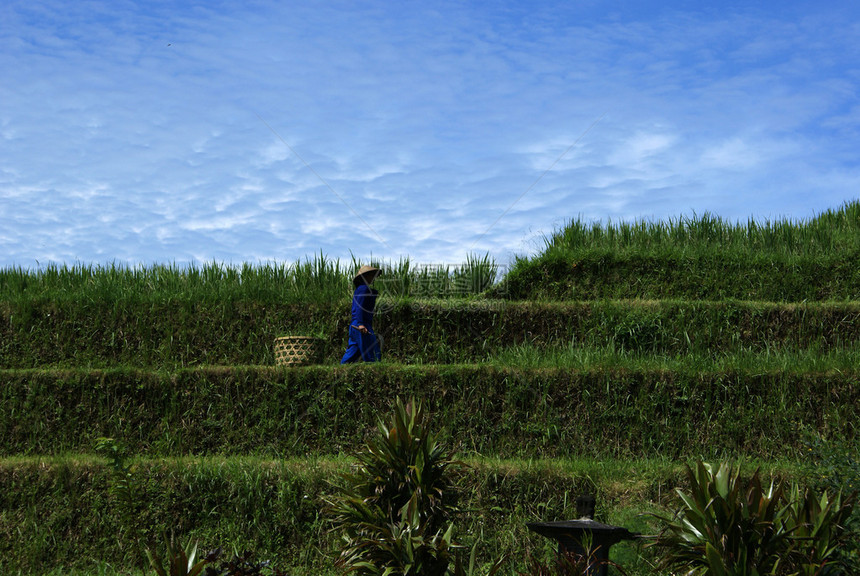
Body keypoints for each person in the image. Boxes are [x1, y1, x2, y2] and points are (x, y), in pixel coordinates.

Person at [341, 265, 382, 363]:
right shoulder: (363, 289)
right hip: (361, 324)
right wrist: (360, 324)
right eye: (371, 275)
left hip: (355, 325)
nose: (373, 277)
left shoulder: (361, 289)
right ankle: (375, 373)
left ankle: (340, 370)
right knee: (373, 352)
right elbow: (359, 307)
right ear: (365, 276)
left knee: (352, 352)